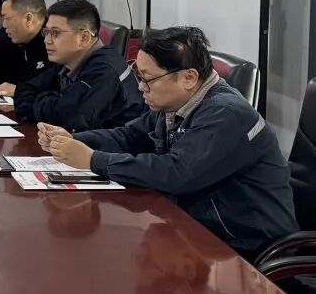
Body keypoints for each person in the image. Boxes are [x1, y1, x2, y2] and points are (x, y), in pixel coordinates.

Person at [41, 26, 297, 259]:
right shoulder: (176, 102)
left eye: (147, 79)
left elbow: (176, 172)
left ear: (188, 78)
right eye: (139, 76)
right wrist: (71, 140)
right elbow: (128, 137)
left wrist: (92, 160)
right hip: (197, 230)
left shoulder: (226, 114)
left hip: (245, 248)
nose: (141, 88)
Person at [13, 0, 145, 130]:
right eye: (46, 32)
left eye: (55, 33)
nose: (47, 40)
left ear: (84, 37)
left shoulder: (105, 71)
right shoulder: (68, 60)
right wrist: (52, 101)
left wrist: (44, 100)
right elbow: (25, 89)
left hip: (117, 143)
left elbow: (68, 116)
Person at [0, 0, 50, 97]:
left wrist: (18, 90)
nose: (4, 25)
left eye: (7, 18)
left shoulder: (53, 44)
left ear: (28, 19)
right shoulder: (21, 42)